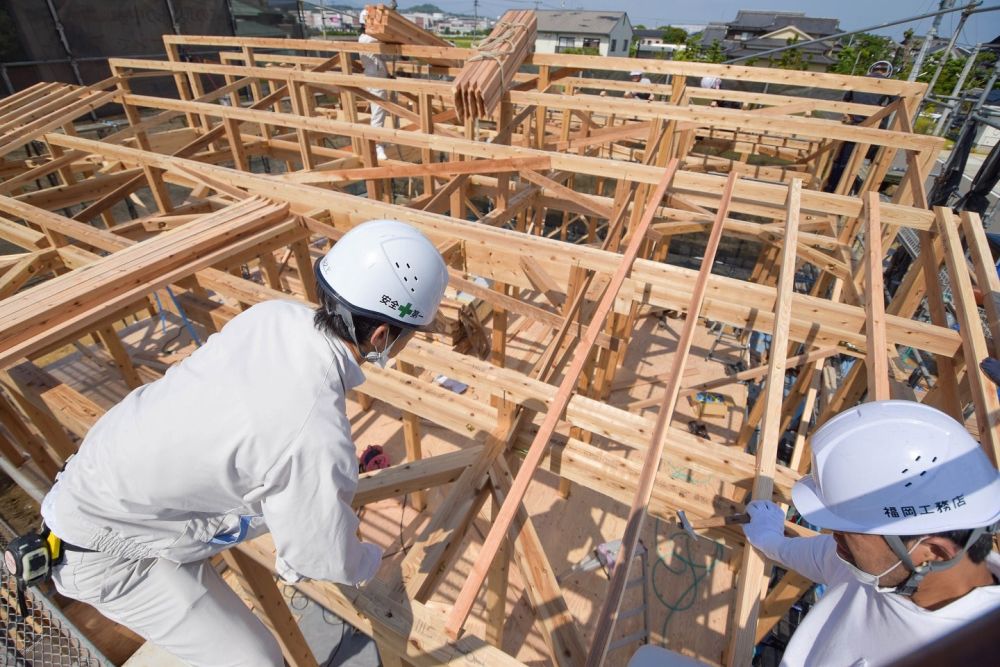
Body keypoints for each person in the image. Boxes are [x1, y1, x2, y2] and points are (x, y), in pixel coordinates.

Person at [38, 220, 449, 666]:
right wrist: (371, 561)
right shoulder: (312, 433)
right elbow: (321, 557)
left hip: (102, 489)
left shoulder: (272, 316)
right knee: (257, 662)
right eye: (410, 334)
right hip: (110, 553)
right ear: (381, 337)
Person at [742, 399, 1000, 666]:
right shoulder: (880, 566)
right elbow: (823, 557)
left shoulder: (966, 650)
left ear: (933, 552)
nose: (836, 542)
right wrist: (770, 539)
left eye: (847, 535)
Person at [823, 60, 896, 193]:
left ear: (871, 69)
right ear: (888, 72)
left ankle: (832, 189)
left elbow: (845, 101)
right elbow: (896, 104)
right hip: (875, 131)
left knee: (843, 162)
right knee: (875, 163)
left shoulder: (859, 81)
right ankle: (866, 191)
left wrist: (849, 116)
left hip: (855, 127)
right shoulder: (889, 84)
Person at [358, 8, 390, 161]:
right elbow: (384, 41)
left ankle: (381, 141)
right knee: (378, 112)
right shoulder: (366, 39)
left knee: (381, 110)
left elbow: (381, 57)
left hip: (379, 78)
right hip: (375, 80)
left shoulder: (369, 39)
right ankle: (377, 146)